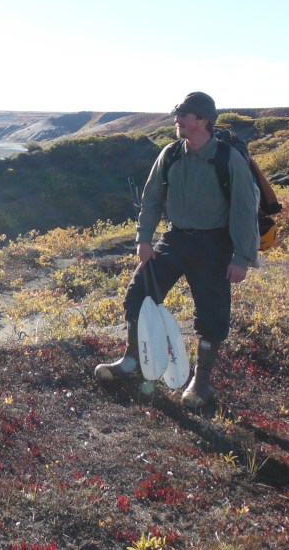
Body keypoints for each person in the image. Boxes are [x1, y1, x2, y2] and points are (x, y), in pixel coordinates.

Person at [94, 91, 260, 408]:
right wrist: (144, 239)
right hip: (174, 239)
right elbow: (152, 198)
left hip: (214, 243)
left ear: (204, 120)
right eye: (177, 114)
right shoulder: (170, 154)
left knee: (212, 315)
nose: (178, 120)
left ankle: (201, 382)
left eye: (184, 115)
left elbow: (244, 209)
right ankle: (132, 360)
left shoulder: (228, 158)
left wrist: (242, 257)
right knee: (139, 293)